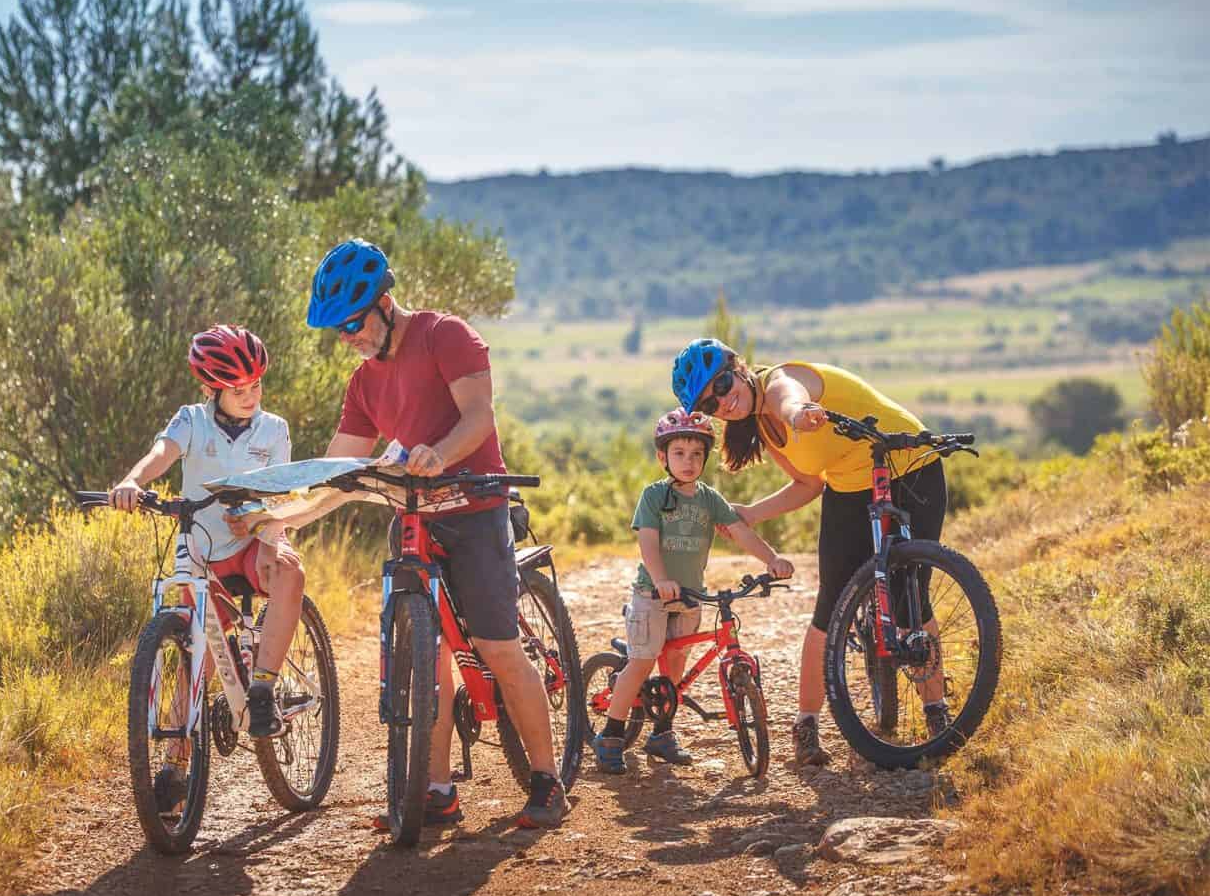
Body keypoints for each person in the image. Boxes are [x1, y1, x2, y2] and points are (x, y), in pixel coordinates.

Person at [305, 238, 568, 830]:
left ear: (385, 303)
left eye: (352, 323)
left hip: (474, 507)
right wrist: (280, 520)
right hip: (414, 518)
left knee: (499, 647)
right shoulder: (362, 385)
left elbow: (478, 418)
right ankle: (436, 789)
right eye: (337, 330)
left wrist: (440, 453)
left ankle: (549, 782)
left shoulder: (445, 335)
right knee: (427, 658)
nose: (347, 337)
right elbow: (336, 471)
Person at [669, 339, 950, 766]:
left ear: (739, 367)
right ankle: (806, 724)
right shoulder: (764, 427)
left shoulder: (784, 379)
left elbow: (789, 399)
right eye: (710, 404)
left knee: (912, 596)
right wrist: (752, 514)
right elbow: (809, 483)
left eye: (723, 384)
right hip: (849, 489)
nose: (723, 401)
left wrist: (801, 415)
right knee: (831, 606)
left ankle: (937, 713)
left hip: (912, 466)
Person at [110, 325, 306, 762]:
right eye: (237, 389)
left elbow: (282, 492)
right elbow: (162, 453)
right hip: (203, 550)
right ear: (210, 388)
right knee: (194, 661)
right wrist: (131, 481)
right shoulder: (191, 420)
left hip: (255, 543)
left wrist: (258, 516)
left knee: (290, 569)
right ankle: (174, 769)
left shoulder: (274, 430)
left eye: (255, 385)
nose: (250, 396)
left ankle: (263, 687)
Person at [591, 409, 794, 774]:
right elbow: (648, 543)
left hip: (690, 597)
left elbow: (741, 532)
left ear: (706, 457)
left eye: (697, 454)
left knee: (674, 669)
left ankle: (663, 733)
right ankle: (610, 734)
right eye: (679, 453)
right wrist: (660, 579)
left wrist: (771, 559)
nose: (688, 461)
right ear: (662, 457)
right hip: (653, 594)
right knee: (641, 661)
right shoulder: (654, 496)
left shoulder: (709, 499)